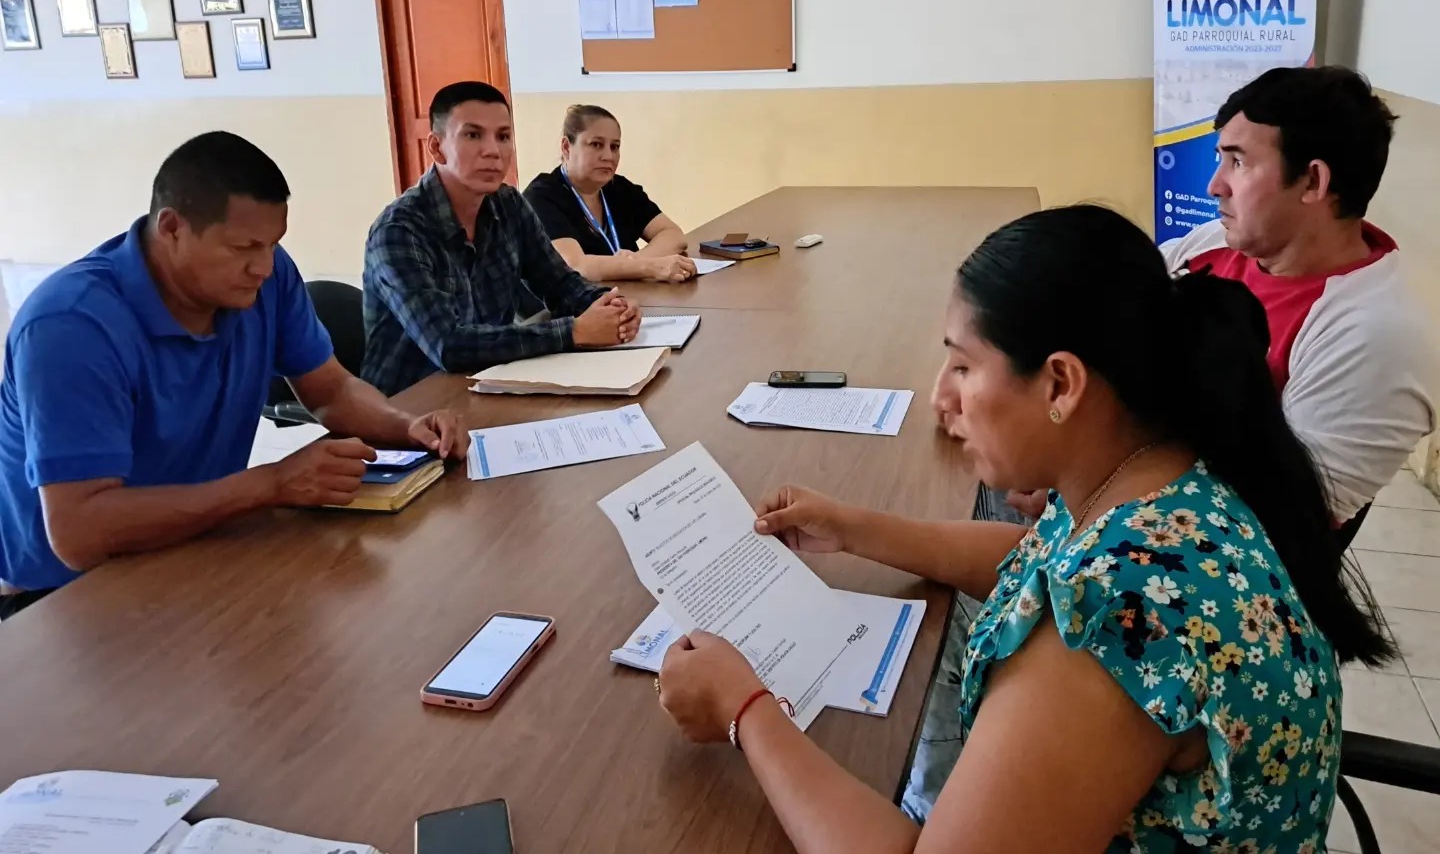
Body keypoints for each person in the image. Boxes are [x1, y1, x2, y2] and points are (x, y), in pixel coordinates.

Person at [656, 204, 1395, 852]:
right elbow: (1033, 556)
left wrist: (744, 710)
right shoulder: (1154, 469)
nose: (941, 398)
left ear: (1061, 383)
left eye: (963, 366)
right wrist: (852, 526)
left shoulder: (1105, 630)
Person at [0, 132, 465, 619]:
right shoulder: (71, 326)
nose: (263, 267)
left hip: (200, 545)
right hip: (63, 601)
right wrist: (271, 484)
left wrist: (406, 426)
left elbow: (331, 389)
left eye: (273, 244)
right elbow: (79, 534)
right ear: (172, 228)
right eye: (244, 247)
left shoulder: (268, 276)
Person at [1163, 65, 1435, 537]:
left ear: (1312, 182)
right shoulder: (1213, 245)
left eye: (1238, 162)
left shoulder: (1375, 338)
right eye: (1219, 159)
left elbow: (1282, 520)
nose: (1214, 185)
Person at [362, 82, 642, 397]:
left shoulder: (508, 204)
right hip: (409, 405)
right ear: (437, 147)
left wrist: (611, 306)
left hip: (488, 384)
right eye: (473, 135)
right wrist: (574, 332)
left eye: (503, 136)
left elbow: (560, 283)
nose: (493, 151)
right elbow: (449, 345)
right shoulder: (399, 231)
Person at [523, 105, 695, 283]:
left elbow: (673, 235)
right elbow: (575, 266)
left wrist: (635, 261)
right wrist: (648, 267)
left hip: (628, 294)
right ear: (566, 147)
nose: (608, 156)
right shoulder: (541, 196)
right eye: (596, 144)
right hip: (575, 300)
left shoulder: (619, 187)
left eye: (615, 147)